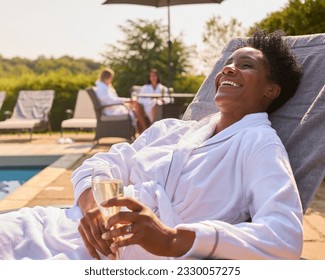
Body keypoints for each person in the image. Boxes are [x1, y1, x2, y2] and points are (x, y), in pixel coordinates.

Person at [0, 29, 303, 260]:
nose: (228, 69)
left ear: (271, 90)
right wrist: (93, 206)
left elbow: (284, 235)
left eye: (246, 65)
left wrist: (171, 239)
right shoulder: (172, 130)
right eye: (227, 64)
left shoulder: (259, 144)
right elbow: (103, 162)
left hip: (117, 258)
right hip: (65, 225)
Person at [95, 68, 148, 133]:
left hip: (113, 108)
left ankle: (142, 130)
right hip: (111, 111)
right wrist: (127, 100)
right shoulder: (102, 88)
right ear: (107, 77)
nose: (112, 79)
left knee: (137, 106)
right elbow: (111, 101)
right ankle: (144, 130)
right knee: (137, 107)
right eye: (111, 77)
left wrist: (127, 101)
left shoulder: (105, 87)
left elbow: (112, 99)